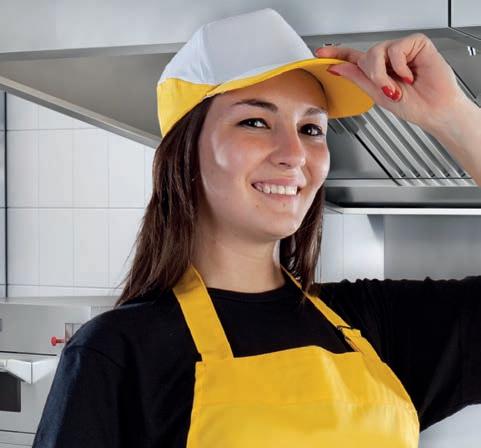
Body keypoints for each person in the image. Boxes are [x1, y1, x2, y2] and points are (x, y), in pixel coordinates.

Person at [32, 8, 481, 448]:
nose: (294, 153)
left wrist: (453, 116)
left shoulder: (370, 325)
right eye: (255, 122)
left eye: (311, 128)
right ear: (185, 152)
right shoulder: (118, 353)